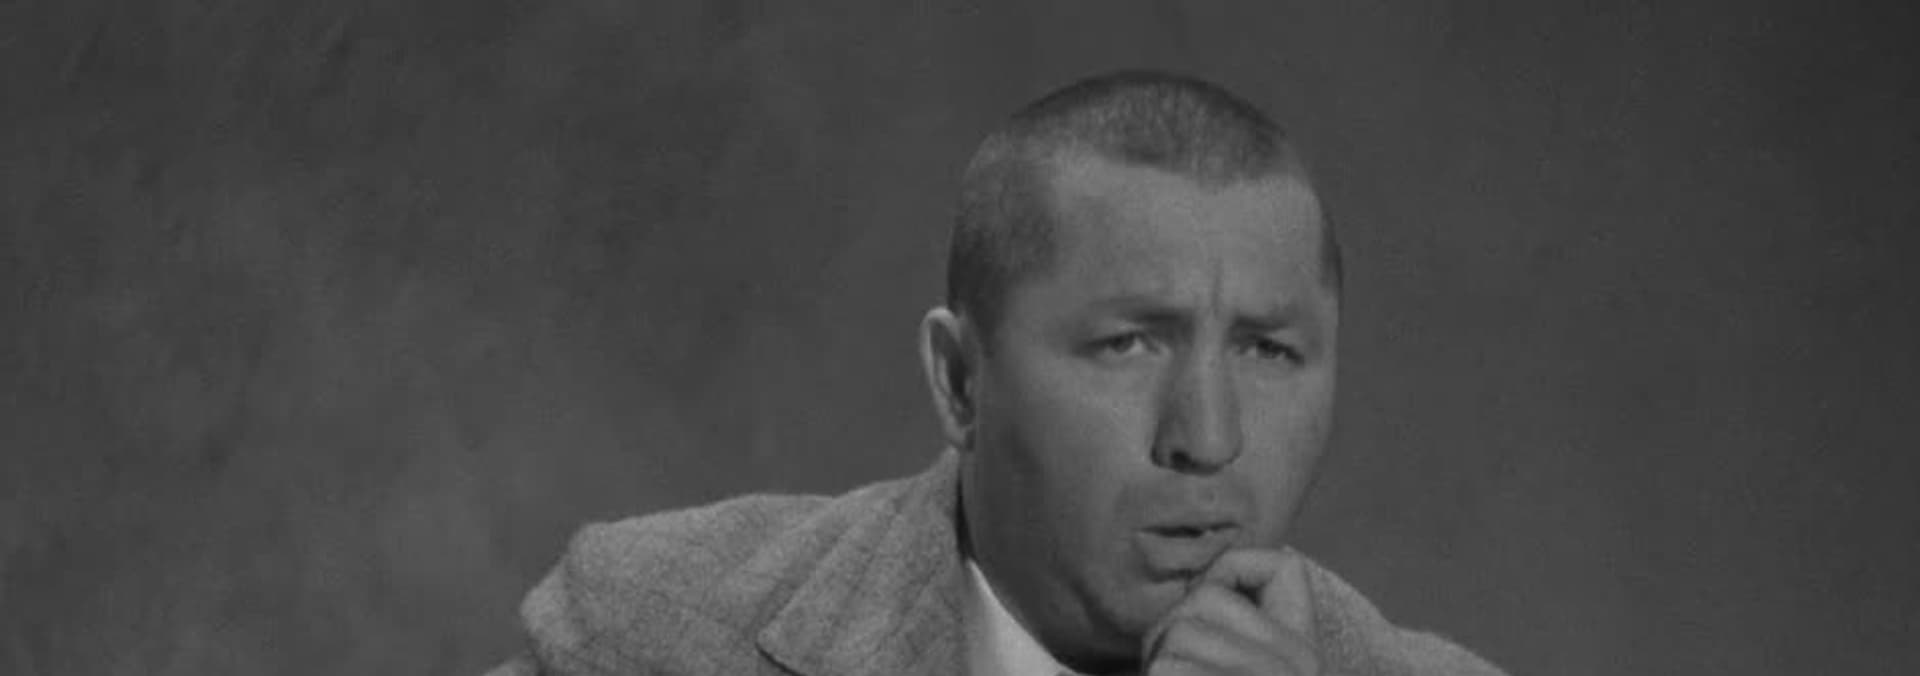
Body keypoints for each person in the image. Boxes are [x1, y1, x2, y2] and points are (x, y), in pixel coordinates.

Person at [488, 70, 1506, 676]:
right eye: (1130, 343)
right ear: (960, 383)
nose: (1207, 437)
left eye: (1267, 351)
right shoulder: (654, 631)